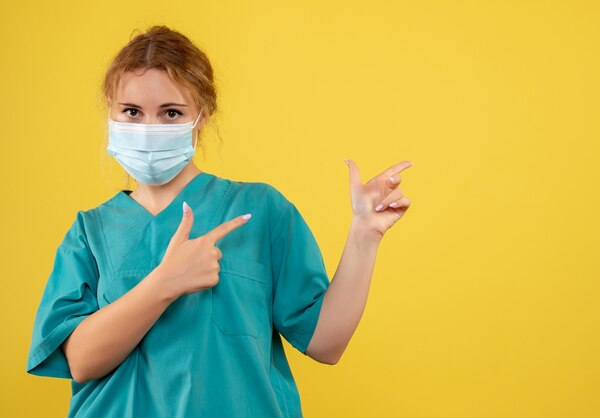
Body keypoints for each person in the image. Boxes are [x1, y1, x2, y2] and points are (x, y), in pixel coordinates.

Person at [25, 25, 413, 418]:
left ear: (201, 117)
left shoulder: (259, 211)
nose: (148, 130)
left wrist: (364, 236)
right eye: (131, 112)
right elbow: (80, 362)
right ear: (111, 114)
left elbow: (326, 343)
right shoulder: (91, 232)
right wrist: (165, 282)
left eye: (171, 113)